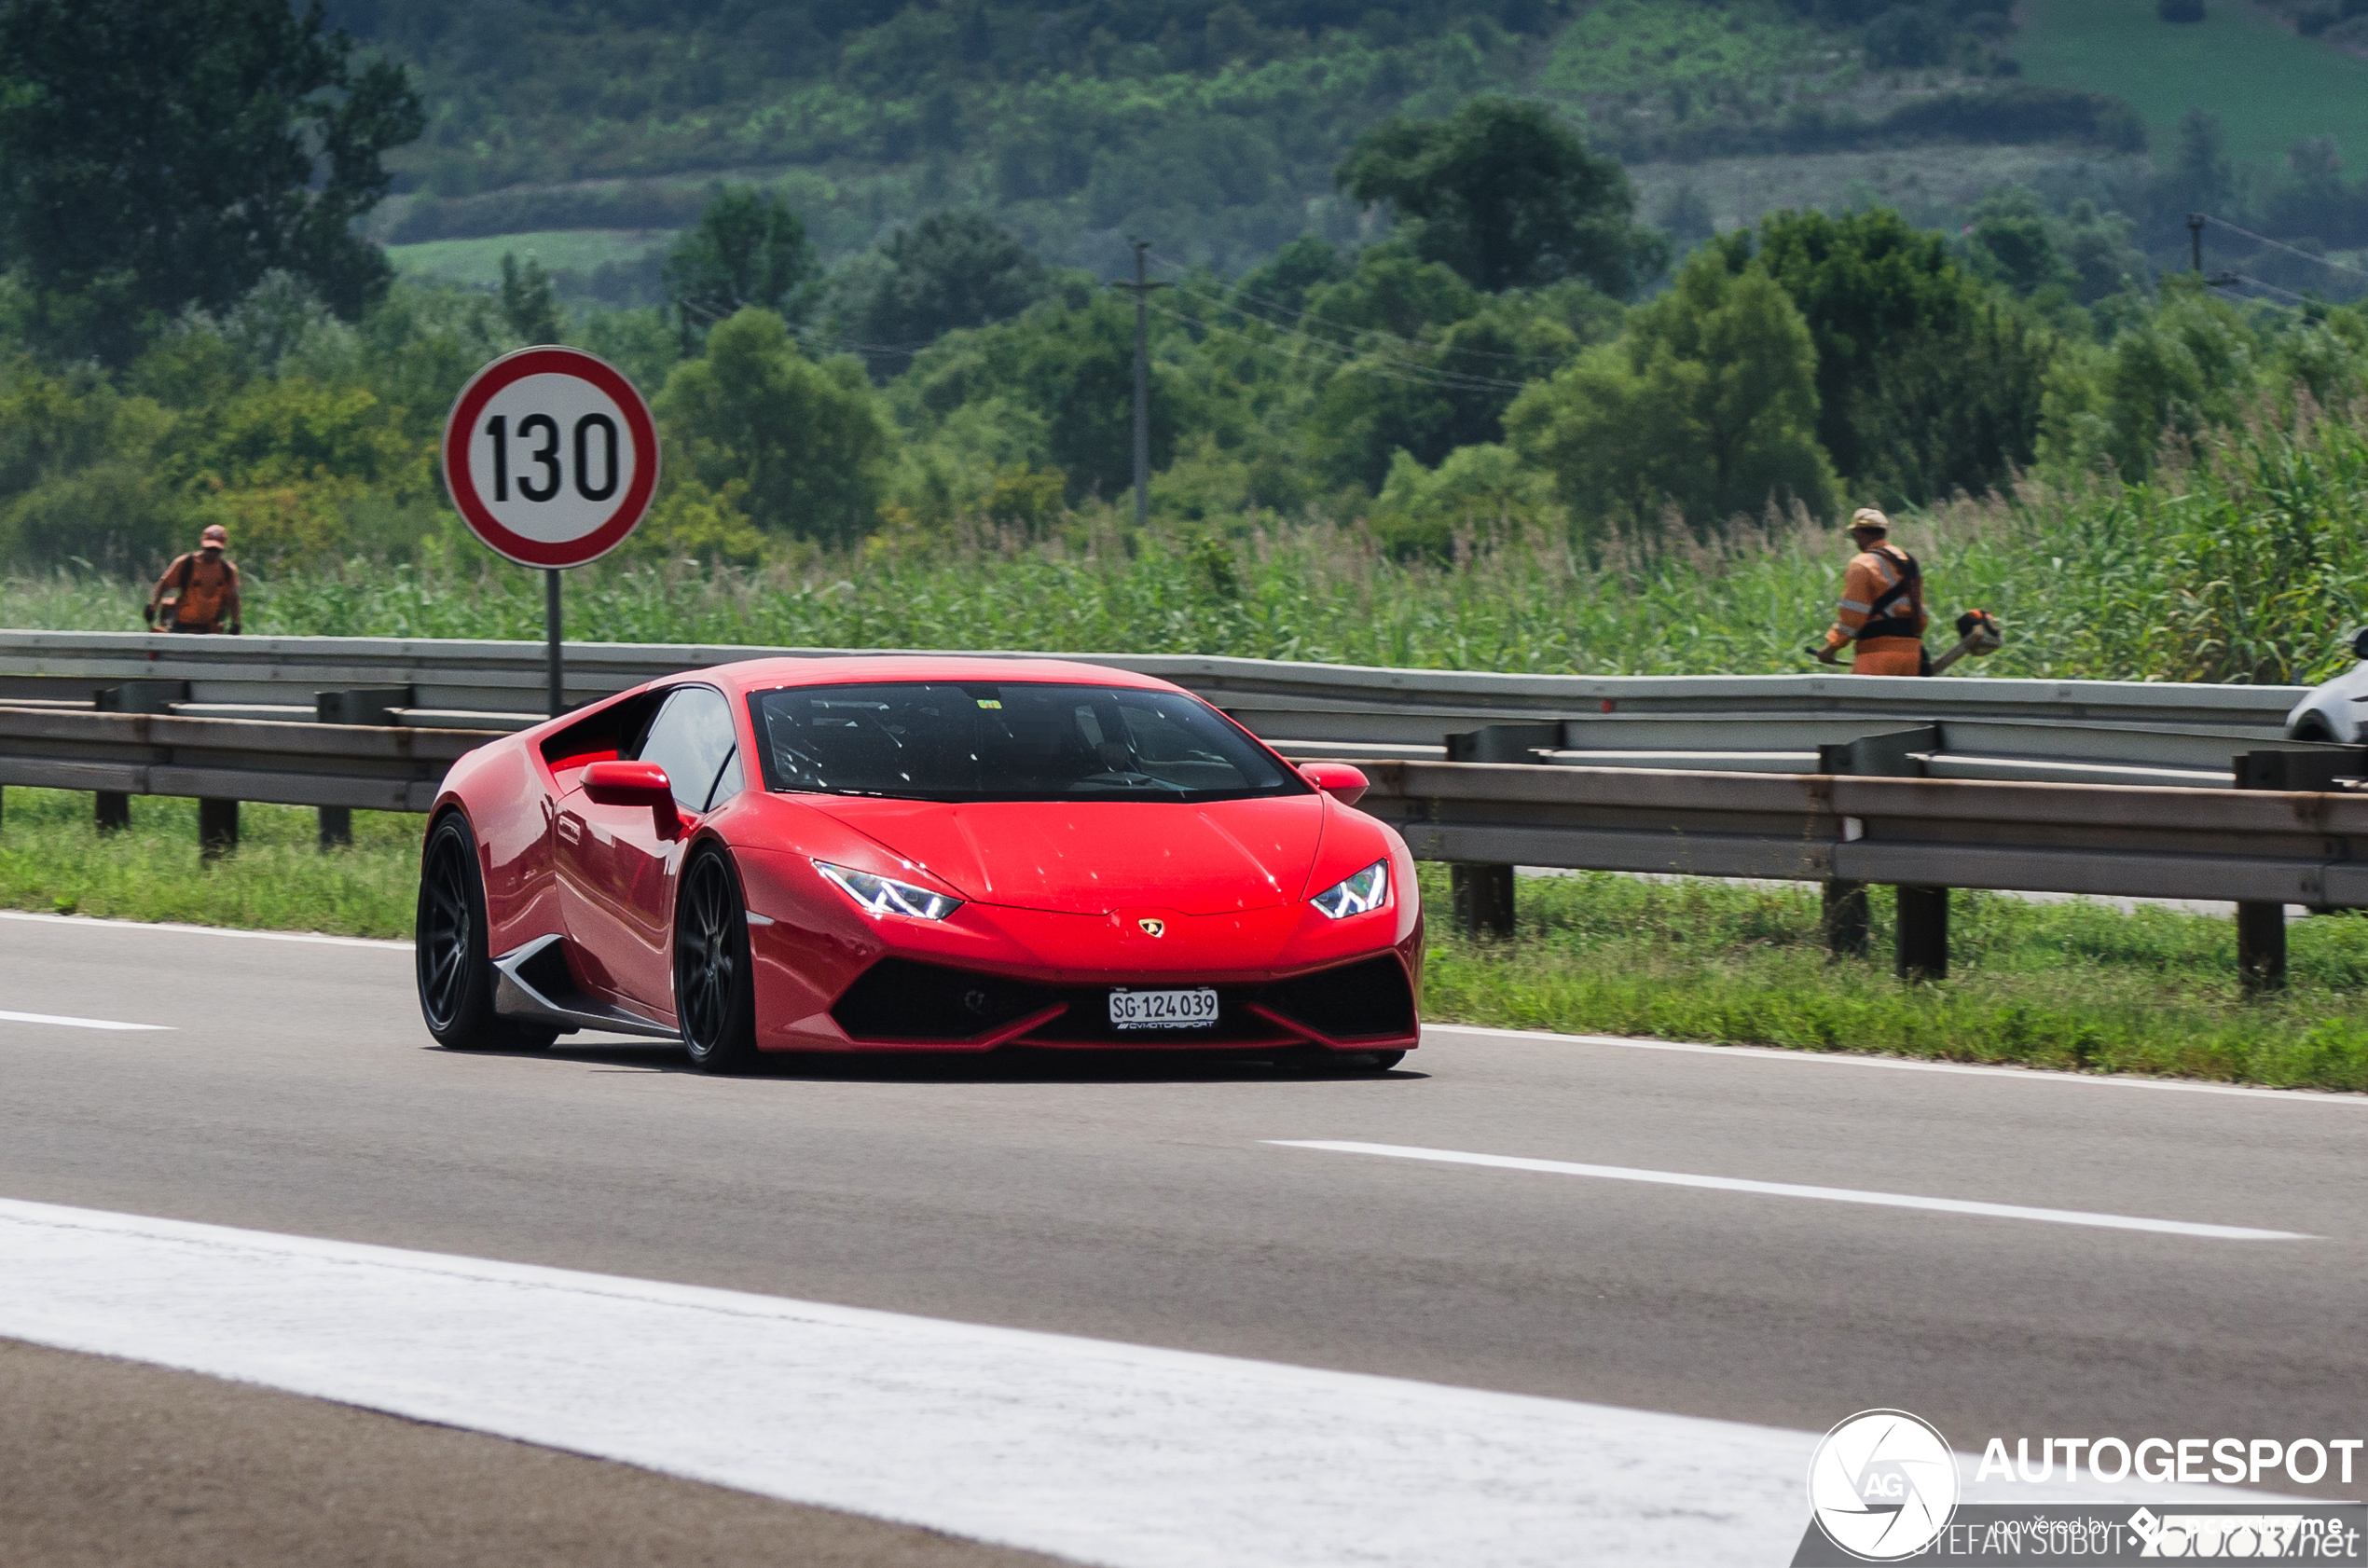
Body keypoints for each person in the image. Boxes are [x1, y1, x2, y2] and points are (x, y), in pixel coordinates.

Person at [1814, 507, 1925, 676]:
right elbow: (1921, 616)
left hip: (1876, 655)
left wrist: (1831, 647)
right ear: (1883, 532)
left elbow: (1853, 617)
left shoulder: (1862, 564)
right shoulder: (1909, 562)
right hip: (1912, 655)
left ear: (1859, 533)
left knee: (1864, 703)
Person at [148, 524, 242, 635]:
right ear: (203, 545)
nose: (212, 553)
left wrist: (236, 623)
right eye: (209, 548)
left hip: (211, 629)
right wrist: (153, 607)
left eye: (216, 550)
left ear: (222, 548)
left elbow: (233, 599)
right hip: (182, 627)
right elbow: (164, 585)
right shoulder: (186, 563)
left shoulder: (227, 570)